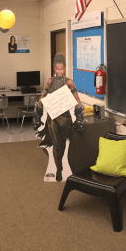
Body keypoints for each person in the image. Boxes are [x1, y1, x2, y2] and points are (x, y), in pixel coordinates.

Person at [34, 54, 85, 182]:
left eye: (61, 69)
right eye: (57, 69)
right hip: (53, 116)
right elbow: (45, 93)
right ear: (54, 69)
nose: (59, 71)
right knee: (56, 142)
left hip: (65, 117)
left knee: (62, 142)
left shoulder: (69, 82)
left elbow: (75, 95)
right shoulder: (50, 81)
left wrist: (79, 106)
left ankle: (60, 164)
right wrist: (40, 103)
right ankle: (59, 169)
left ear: (65, 68)